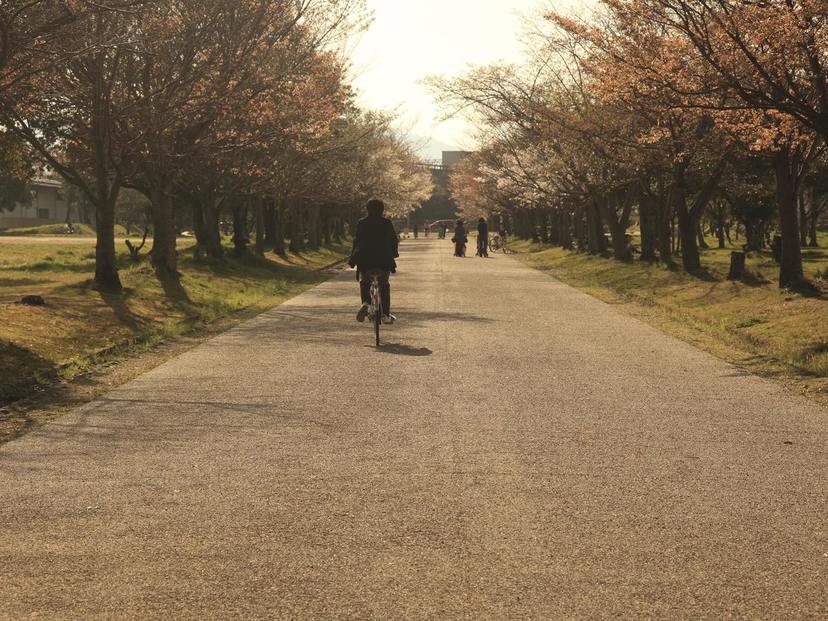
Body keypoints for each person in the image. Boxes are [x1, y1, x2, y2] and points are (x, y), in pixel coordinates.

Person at [348, 199, 399, 324]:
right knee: (384, 285)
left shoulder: (362, 223)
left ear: (367, 209)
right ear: (382, 209)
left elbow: (357, 240)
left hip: (365, 260)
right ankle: (385, 314)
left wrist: (353, 257)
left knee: (365, 282)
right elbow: (393, 240)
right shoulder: (387, 223)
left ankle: (365, 303)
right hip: (383, 260)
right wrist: (394, 253)